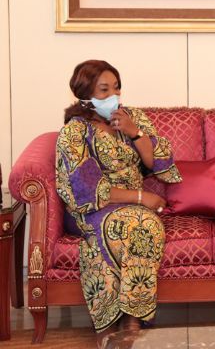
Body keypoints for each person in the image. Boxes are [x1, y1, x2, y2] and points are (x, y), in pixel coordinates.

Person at [55, 60, 181, 346]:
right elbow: (86, 189)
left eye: (116, 87)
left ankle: (131, 317)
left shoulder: (132, 117)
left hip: (132, 208)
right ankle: (121, 320)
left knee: (141, 223)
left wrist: (134, 132)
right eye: (103, 90)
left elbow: (158, 163)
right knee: (143, 223)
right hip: (91, 209)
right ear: (84, 93)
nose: (113, 94)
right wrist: (141, 197)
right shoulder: (75, 132)